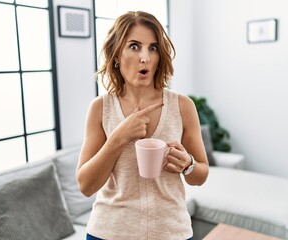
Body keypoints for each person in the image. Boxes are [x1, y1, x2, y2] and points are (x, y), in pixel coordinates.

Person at [76, 11, 209, 240]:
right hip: (108, 232)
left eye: (153, 48)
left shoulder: (182, 106)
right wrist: (118, 138)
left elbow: (200, 175)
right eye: (135, 46)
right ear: (116, 55)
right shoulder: (100, 108)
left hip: (171, 232)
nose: (145, 57)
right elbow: (86, 185)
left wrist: (188, 164)